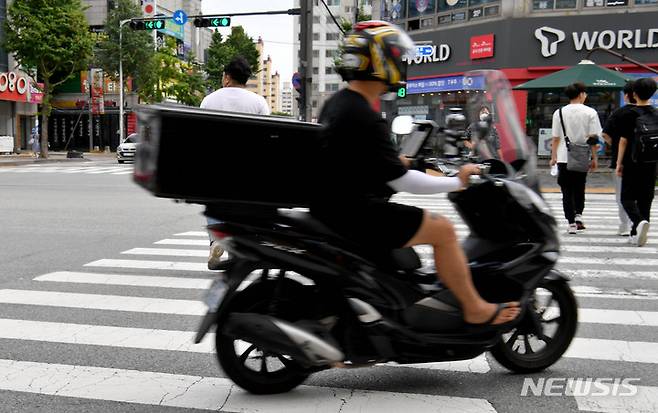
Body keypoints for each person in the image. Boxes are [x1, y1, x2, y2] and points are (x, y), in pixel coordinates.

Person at [311, 21, 520, 328]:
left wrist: (398, 162)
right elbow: (402, 182)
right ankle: (475, 307)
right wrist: (457, 181)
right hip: (356, 213)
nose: (400, 63)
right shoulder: (363, 114)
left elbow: (353, 160)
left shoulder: (338, 103)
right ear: (380, 61)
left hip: (335, 206)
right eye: (396, 56)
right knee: (443, 231)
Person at [200, 56, 270, 269]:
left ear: (227, 77)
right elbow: (267, 137)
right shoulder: (258, 102)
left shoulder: (209, 100)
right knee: (244, 208)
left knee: (214, 205)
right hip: (249, 169)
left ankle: (216, 240)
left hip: (216, 167)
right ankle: (239, 247)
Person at [549, 82, 602, 234]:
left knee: (566, 190)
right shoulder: (590, 112)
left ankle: (571, 223)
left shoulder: (558, 112)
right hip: (581, 156)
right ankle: (578, 215)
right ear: (580, 94)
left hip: (563, 157)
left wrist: (553, 157)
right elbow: (593, 139)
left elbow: (555, 138)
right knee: (580, 187)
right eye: (585, 93)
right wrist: (594, 158)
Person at [615, 77, 658, 247]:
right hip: (652, 161)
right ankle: (637, 234)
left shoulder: (627, 113)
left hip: (632, 161)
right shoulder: (656, 113)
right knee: (646, 198)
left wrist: (619, 163)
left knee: (627, 197)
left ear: (634, 94)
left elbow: (623, 141)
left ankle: (638, 222)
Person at [602, 81, 635, 236]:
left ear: (626, 95)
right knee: (641, 195)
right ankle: (639, 222)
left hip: (621, 160)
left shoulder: (618, 113)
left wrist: (614, 145)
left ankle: (624, 225)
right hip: (645, 161)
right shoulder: (651, 112)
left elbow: (605, 134)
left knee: (622, 194)